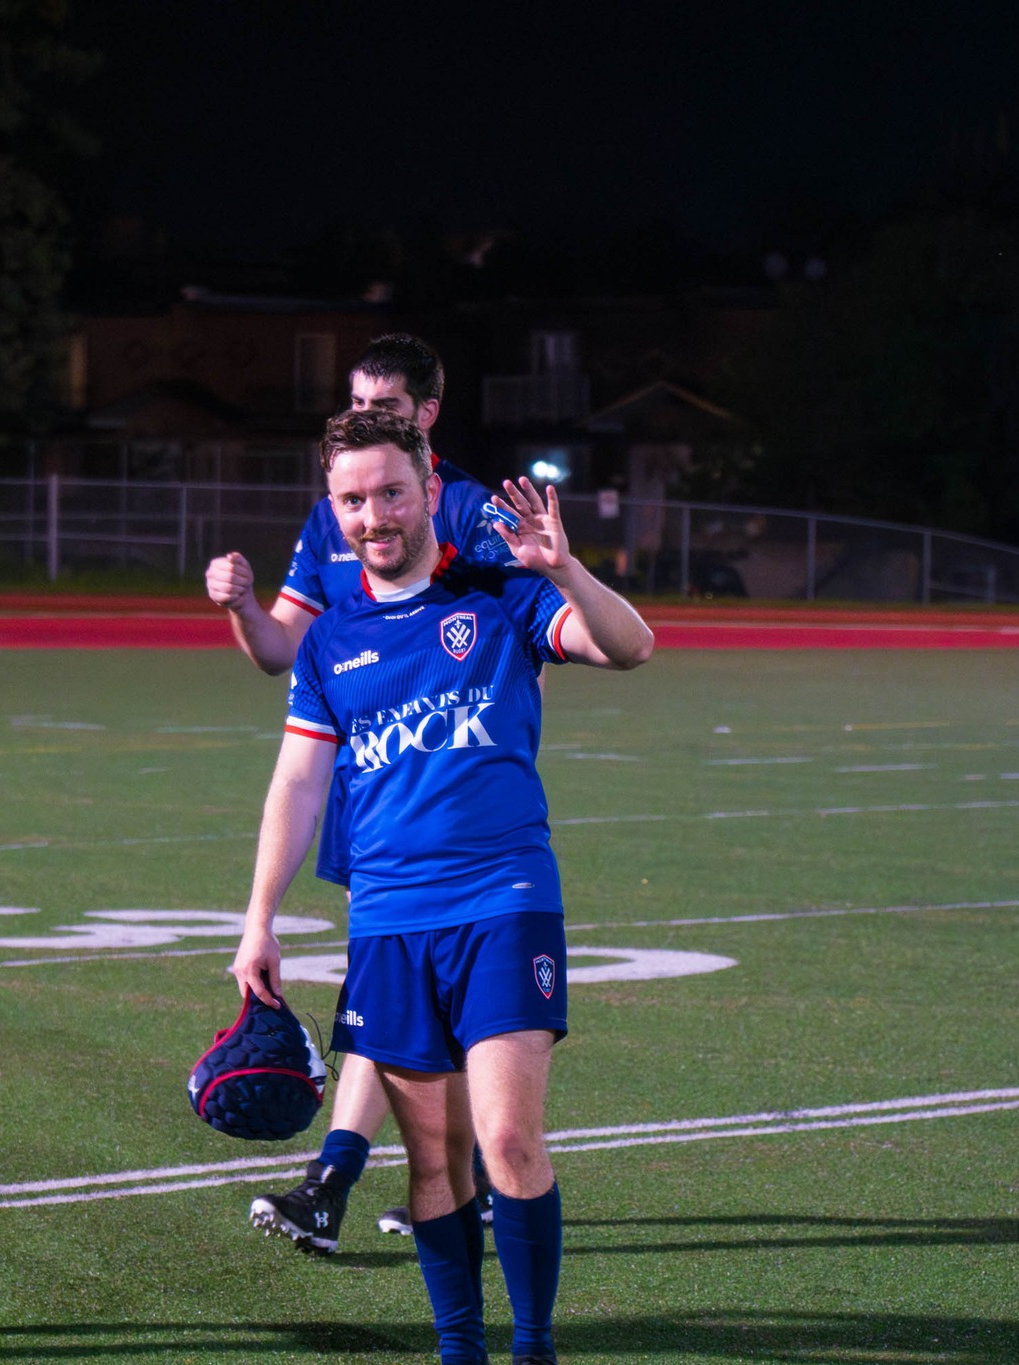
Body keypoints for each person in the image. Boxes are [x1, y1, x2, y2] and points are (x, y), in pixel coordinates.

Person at [231, 409, 653, 1365]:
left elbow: (631, 646)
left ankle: (533, 1347)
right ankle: (460, 1348)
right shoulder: (330, 642)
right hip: (388, 922)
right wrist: (259, 920)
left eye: (390, 492)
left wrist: (564, 570)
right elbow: (297, 785)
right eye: (352, 500)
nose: (373, 515)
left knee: (508, 1141)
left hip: (504, 903)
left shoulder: (500, 594)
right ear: (332, 508)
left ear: (428, 489)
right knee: (433, 1160)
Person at [211, 334, 507, 1252]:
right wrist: (241, 604)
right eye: (356, 403)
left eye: (386, 405)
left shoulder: (466, 509)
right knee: (397, 984)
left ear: (427, 414)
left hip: (444, 795)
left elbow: (515, 635)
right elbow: (281, 652)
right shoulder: (329, 515)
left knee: (403, 985)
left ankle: (345, 1177)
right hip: (358, 782)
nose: (366, 417)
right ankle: (459, 1179)